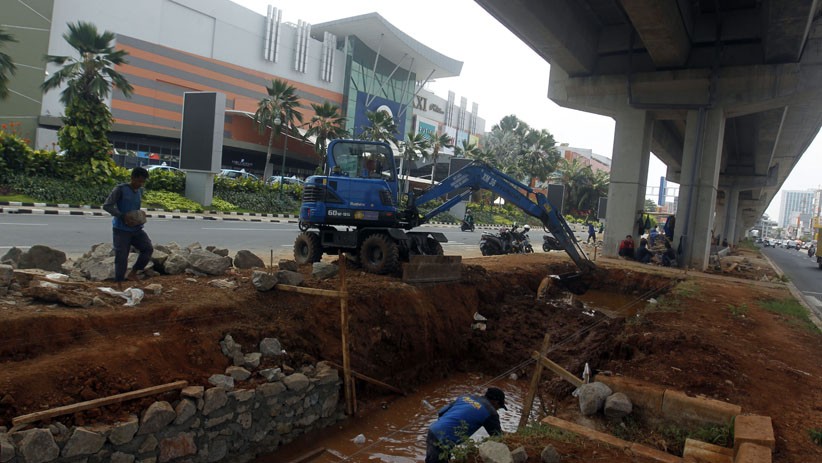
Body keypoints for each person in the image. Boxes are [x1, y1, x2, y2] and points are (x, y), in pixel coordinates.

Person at [426, 388, 506, 463]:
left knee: (433, 459)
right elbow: (497, 436)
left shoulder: (466, 397)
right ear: (496, 402)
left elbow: (441, 412)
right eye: (499, 407)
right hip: (444, 438)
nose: (497, 409)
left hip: (433, 429)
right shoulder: (490, 412)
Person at [103, 167, 154, 286]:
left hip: (136, 228)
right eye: (138, 181)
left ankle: (134, 272)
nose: (140, 184)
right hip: (121, 229)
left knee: (148, 248)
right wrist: (122, 216)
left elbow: (135, 207)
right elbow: (107, 206)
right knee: (121, 256)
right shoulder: (120, 189)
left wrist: (139, 215)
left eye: (142, 182)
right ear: (132, 178)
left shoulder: (139, 191)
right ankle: (119, 283)